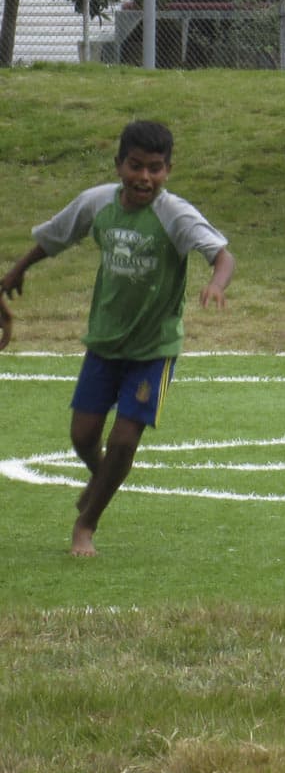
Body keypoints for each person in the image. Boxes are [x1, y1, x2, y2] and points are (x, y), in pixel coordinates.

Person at [0, 120, 235, 557]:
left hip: (154, 349)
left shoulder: (175, 215)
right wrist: (17, 270)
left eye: (156, 169)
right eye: (135, 166)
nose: (144, 177)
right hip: (105, 342)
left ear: (168, 171)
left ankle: (85, 525)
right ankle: (101, 477)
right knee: (83, 435)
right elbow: (54, 237)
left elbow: (222, 254)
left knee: (124, 440)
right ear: (119, 165)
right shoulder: (97, 204)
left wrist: (217, 284)